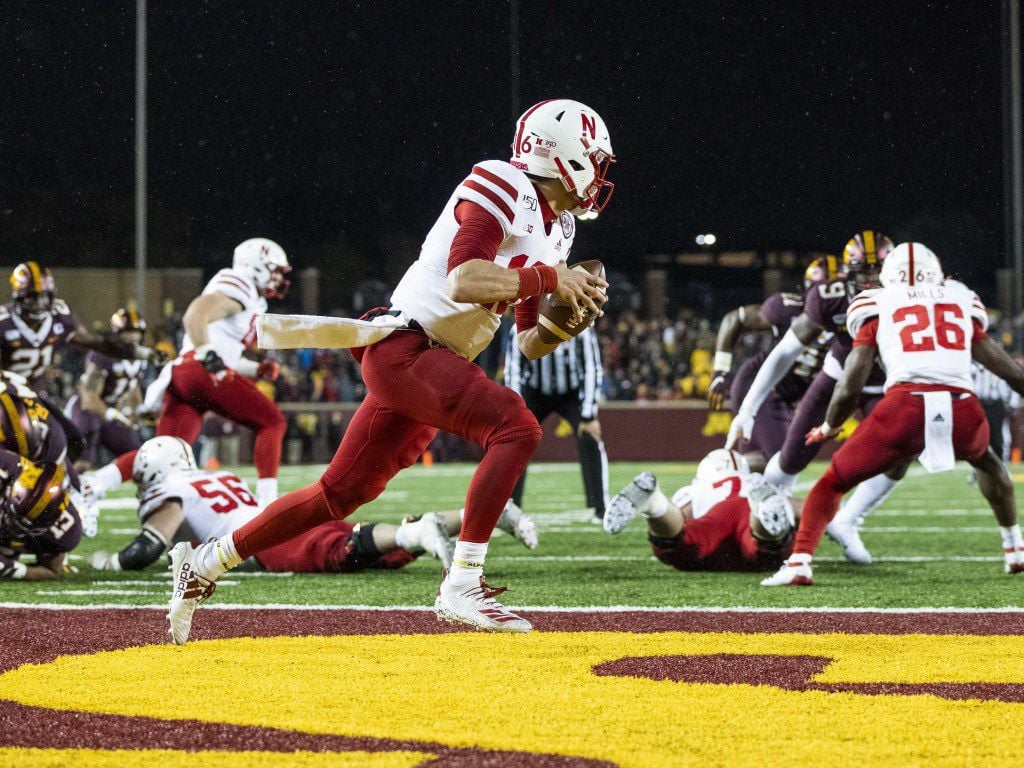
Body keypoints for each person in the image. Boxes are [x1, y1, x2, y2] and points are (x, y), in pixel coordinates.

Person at [164, 98, 614, 643]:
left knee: (338, 495)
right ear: (567, 156)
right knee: (516, 427)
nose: (600, 174)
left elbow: (527, 343)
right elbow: (464, 280)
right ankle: (463, 583)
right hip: (406, 347)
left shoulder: (559, 227)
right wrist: (551, 280)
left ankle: (205, 563)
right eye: (596, 158)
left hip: (435, 362)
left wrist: (563, 327)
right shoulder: (503, 183)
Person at [763, 243, 1024, 586]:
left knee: (832, 482)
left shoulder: (877, 302)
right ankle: (1015, 550)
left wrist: (829, 425)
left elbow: (850, 383)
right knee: (989, 463)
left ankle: (799, 562)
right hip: (963, 409)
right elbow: (1010, 372)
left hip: (904, 408)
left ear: (888, 276)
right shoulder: (960, 300)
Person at [87, 436, 538, 574]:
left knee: (341, 551)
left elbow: (146, 549)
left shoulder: (172, 493)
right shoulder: (214, 474)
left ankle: (416, 532)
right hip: (278, 517)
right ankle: (484, 514)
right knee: (358, 542)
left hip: (259, 540)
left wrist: (108, 561)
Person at [727, 231, 898, 563]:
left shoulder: (912, 296)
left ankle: (847, 521)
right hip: (837, 379)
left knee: (897, 457)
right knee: (791, 458)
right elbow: (784, 352)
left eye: (879, 271)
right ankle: (768, 525)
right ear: (848, 272)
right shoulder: (831, 296)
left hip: (886, 383)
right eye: (864, 272)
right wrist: (748, 409)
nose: (873, 280)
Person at [81, 239, 290, 508]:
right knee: (273, 422)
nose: (278, 278)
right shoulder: (240, 284)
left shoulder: (250, 299)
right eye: (274, 270)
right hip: (198, 370)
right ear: (256, 266)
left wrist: (256, 370)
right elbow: (194, 316)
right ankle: (266, 505)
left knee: (165, 454)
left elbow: (224, 353)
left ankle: (93, 483)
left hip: (185, 375)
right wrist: (209, 358)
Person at [706, 257, 836, 469]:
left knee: (761, 467)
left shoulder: (847, 318)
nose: (830, 299)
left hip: (783, 396)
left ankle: (725, 484)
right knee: (777, 460)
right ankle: (714, 478)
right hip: (760, 386)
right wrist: (720, 370)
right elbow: (735, 319)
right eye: (825, 290)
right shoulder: (789, 309)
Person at [603, 449, 795, 572]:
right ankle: (760, 516)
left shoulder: (696, 489)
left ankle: (655, 505)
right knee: (770, 548)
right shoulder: (750, 482)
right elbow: (798, 509)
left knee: (677, 544)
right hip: (747, 506)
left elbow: (681, 516)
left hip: (714, 516)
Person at [505, 324, 608, 520]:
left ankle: (600, 507)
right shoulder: (521, 325)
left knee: (590, 435)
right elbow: (514, 371)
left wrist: (588, 415)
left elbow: (592, 369)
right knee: (514, 439)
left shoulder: (581, 327)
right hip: (535, 391)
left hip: (571, 393)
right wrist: (515, 412)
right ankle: (509, 507)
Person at [65, 308, 149, 472]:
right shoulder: (102, 354)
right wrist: (114, 414)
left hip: (109, 412)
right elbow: (89, 398)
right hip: (86, 410)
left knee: (138, 458)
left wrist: (139, 409)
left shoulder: (140, 358)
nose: (132, 337)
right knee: (83, 462)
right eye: (127, 332)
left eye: (136, 332)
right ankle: (72, 492)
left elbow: (132, 387)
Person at [0, 446, 83, 581]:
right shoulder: (5, 465)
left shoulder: (66, 528)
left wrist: (13, 569)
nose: (12, 525)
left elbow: (52, 571)